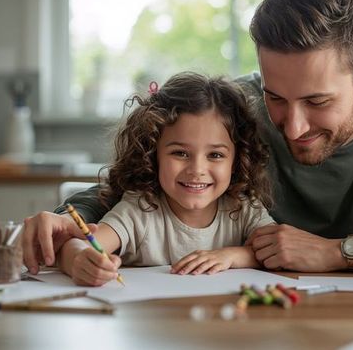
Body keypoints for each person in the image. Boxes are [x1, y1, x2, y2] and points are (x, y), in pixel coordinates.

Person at [23, 0, 353, 276]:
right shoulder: (244, 106)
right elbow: (140, 187)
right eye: (276, 96)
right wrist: (73, 224)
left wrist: (343, 252)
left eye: (317, 101)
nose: (291, 127)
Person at [55, 72, 274, 286]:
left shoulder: (245, 208)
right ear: (152, 154)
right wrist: (79, 260)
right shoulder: (140, 209)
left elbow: (275, 253)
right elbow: (81, 246)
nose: (197, 169)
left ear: (237, 160)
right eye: (180, 153)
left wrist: (231, 256)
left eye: (215, 155)